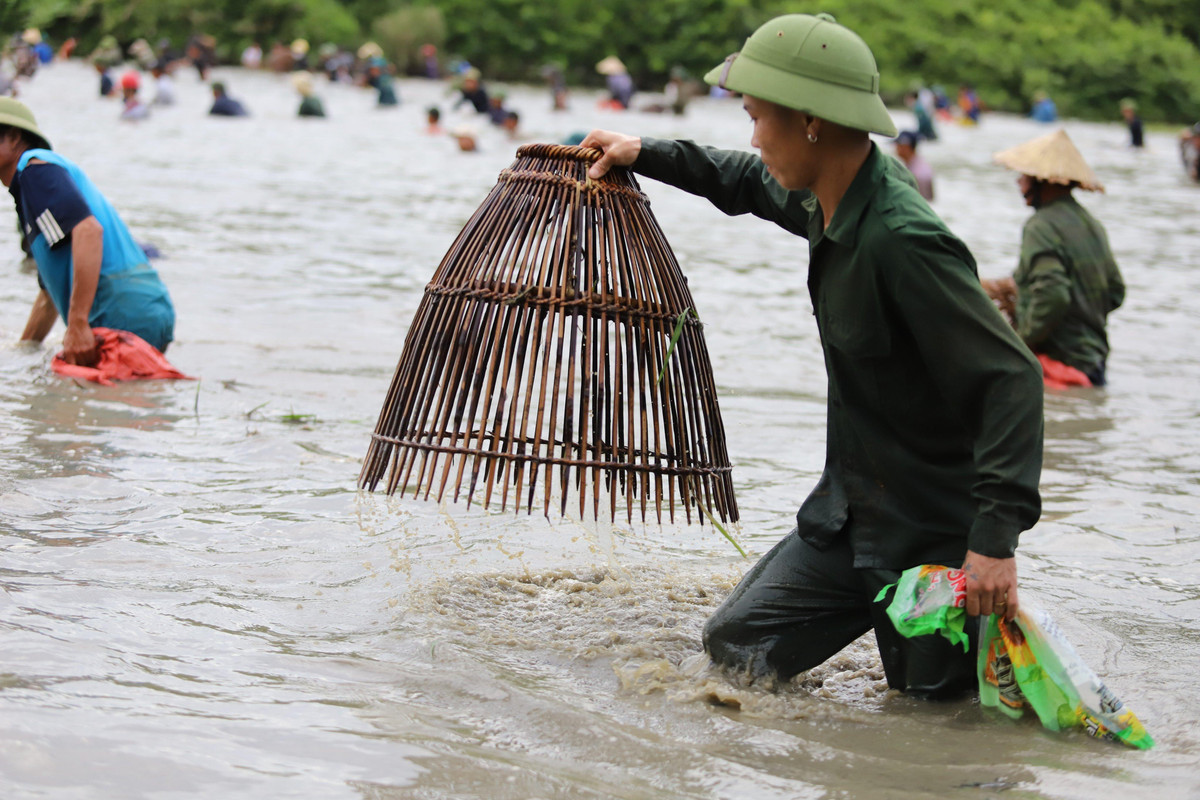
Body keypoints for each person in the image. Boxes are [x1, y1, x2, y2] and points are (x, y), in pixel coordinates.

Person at [582, 13, 1042, 699]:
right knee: (736, 647)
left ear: (812, 123)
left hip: (928, 542)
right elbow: (743, 179)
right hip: (849, 517)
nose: (753, 134)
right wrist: (642, 151)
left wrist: (994, 544)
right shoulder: (828, 200)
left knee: (937, 719)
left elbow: (1012, 378)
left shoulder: (902, 238)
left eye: (759, 116)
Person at [0, 98, 176, 361]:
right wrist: (21, 352)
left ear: (14, 138)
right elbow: (48, 296)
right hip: (140, 308)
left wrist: (78, 323)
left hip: (121, 311)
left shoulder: (33, 169)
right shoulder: (32, 188)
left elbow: (89, 231)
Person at [993, 129, 1125, 387]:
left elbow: (1053, 295)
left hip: (1061, 364)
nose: (1019, 182)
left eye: (1025, 176)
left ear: (1044, 181)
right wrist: (1083, 312)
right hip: (1094, 361)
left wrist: (1019, 343)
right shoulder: (1092, 224)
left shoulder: (1040, 226)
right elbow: (1116, 292)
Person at [893, 130, 933, 201]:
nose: (895, 148)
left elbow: (922, 201)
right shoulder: (916, 165)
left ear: (905, 147)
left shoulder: (918, 172)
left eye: (897, 145)